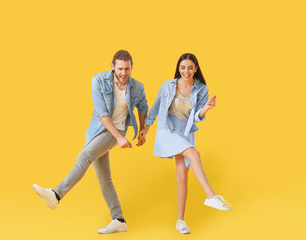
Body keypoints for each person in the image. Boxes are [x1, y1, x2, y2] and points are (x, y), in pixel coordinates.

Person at [32, 50, 148, 234]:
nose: (124, 73)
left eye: (127, 68)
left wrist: (142, 130)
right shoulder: (99, 80)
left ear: (132, 67)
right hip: (101, 129)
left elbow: (143, 106)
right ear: (113, 67)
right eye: (120, 69)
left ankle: (56, 194)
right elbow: (102, 114)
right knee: (104, 179)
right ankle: (119, 220)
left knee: (85, 155)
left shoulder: (137, 87)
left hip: (117, 130)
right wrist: (119, 139)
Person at [139, 53, 231, 234]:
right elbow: (157, 107)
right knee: (195, 154)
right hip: (168, 129)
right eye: (182, 68)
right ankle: (211, 196)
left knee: (182, 178)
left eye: (190, 67)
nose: (186, 71)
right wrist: (146, 129)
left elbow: (197, 117)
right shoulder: (168, 85)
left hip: (185, 132)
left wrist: (206, 109)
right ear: (178, 69)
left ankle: (180, 220)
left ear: (196, 68)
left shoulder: (202, 89)